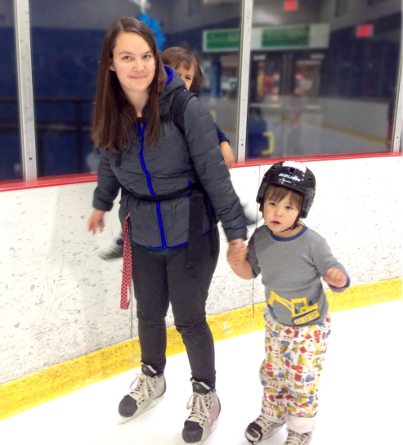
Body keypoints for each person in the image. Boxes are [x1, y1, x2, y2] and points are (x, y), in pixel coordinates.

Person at [87, 17, 246, 445]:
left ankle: (205, 395)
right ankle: (152, 377)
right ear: (111, 64)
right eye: (127, 57)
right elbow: (109, 157)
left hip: (189, 227)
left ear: (155, 59)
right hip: (141, 226)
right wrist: (103, 202)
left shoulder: (183, 108)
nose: (138, 66)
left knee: (190, 319)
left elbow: (215, 175)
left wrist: (235, 234)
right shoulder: (112, 110)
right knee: (149, 312)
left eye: (145, 56)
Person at [227, 161, 349, 445]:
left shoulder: (312, 243)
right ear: (262, 203)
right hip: (276, 323)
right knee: (272, 373)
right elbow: (250, 273)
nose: (278, 212)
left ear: (301, 211)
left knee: (301, 379)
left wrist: (336, 278)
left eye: (289, 207)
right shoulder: (259, 238)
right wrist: (236, 263)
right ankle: (273, 415)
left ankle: (300, 429)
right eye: (272, 203)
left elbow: (334, 270)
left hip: (310, 328)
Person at [99, 45, 235, 261]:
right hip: (145, 188)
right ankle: (123, 238)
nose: (180, 81)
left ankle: (234, 215)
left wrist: (223, 141)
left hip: (182, 193)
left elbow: (205, 127)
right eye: (174, 73)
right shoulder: (140, 103)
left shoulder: (188, 107)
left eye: (187, 77)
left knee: (212, 183)